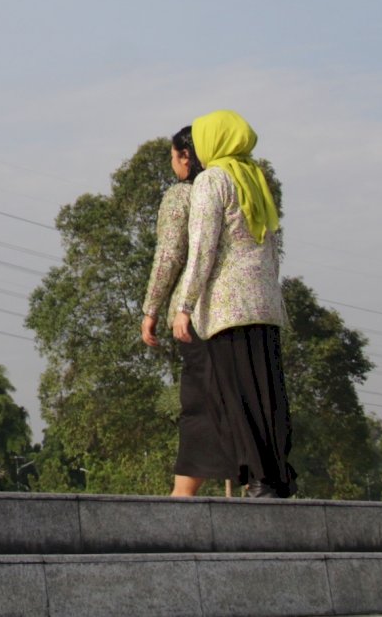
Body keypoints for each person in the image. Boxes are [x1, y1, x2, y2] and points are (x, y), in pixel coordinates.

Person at [172, 110, 295, 498]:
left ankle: (258, 479)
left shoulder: (212, 180)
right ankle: (276, 478)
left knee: (238, 397)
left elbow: (202, 249)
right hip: (264, 305)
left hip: (227, 308)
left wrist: (185, 305)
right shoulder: (255, 180)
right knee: (268, 394)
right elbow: (273, 252)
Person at [141, 125, 236, 496]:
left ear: (186, 157)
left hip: (198, 316)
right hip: (238, 314)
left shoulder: (183, 194)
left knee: (199, 405)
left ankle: (182, 495)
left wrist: (151, 308)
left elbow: (169, 254)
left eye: (173, 157)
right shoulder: (234, 187)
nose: (173, 166)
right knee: (237, 401)